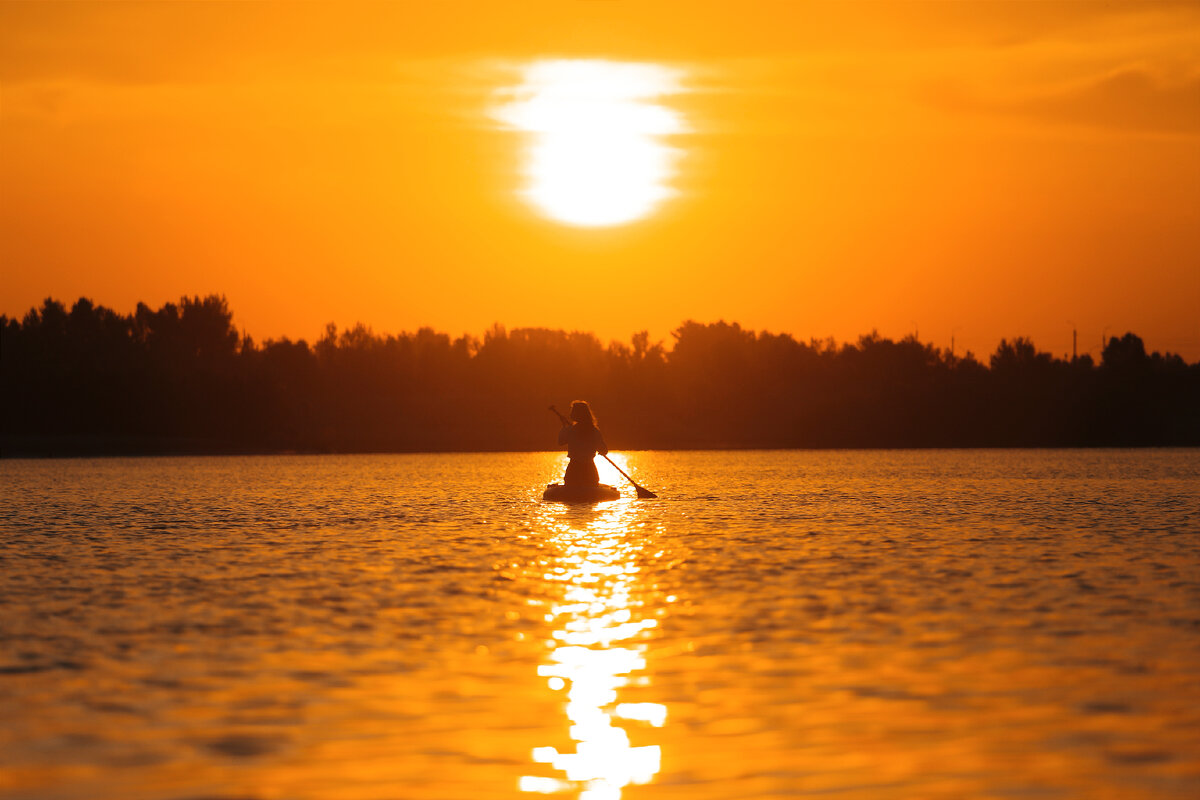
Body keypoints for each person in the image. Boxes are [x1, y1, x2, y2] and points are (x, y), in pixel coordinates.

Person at [557, 400, 608, 486]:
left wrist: (564, 426)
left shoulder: (570, 430)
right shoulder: (594, 431)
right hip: (589, 470)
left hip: (574, 470)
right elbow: (604, 450)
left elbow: (560, 441)